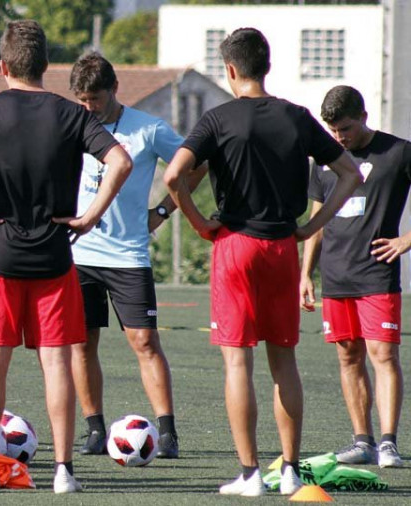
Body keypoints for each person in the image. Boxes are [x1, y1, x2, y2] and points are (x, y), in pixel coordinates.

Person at [0, 20, 132, 494]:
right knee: (57, 363)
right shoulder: (71, 114)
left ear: (3, 67)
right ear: (46, 66)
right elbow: (120, 161)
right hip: (53, 257)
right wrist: (88, 217)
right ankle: (64, 471)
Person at [163, 28, 361, 497]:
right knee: (283, 361)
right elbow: (350, 173)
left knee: (237, 363)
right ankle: (289, 468)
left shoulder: (217, 118)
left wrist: (197, 223)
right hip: (281, 249)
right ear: (265, 66)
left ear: (230, 70)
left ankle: (250, 474)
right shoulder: (297, 117)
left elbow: (174, 176)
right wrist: (312, 228)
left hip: (235, 244)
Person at [68, 52, 208, 457]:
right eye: (81, 99)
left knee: (144, 340)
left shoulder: (148, 128)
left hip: (128, 255)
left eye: (94, 98)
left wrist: (163, 210)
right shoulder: (72, 123)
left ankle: (167, 432)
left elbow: (194, 166)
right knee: (81, 342)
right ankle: (94, 429)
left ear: (114, 90)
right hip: (78, 254)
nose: (87, 107)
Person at [300, 85, 410, 469]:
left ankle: (388, 443)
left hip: (377, 275)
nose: (339, 137)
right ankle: (361, 440)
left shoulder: (398, 152)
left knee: (383, 355)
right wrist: (305, 273)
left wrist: (406, 240)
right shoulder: (324, 160)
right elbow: (315, 222)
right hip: (335, 276)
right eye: (332, 130)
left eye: (345, 128)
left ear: (364, 117)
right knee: (348, 356)